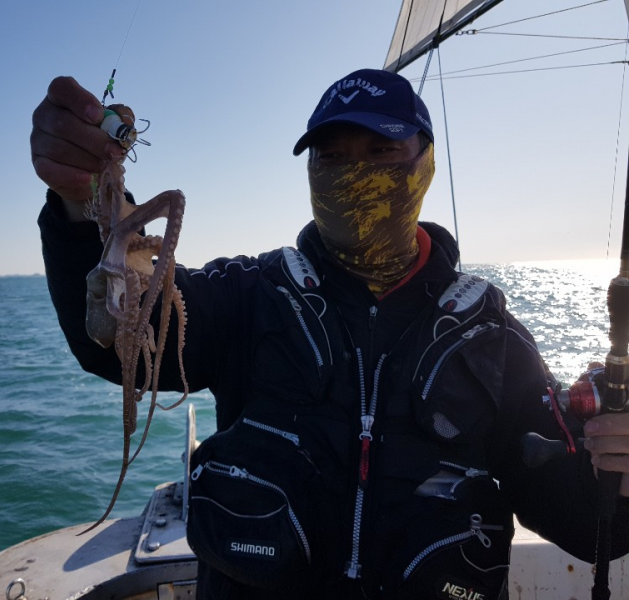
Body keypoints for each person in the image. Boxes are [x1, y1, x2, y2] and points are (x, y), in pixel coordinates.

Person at [32, 68, 629, 599]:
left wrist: (620, 467)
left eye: (381, 149)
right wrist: (82, 203)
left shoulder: (490, 336)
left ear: (425, 162)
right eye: (334, 156)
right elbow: (125, 334)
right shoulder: (250, 296)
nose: (356, 172)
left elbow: (582, 519)